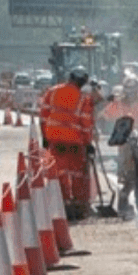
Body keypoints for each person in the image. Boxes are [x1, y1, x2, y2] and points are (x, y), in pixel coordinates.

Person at [39, 66, 95, 219]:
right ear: (82, 82)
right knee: (78, 173)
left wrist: (44, 137)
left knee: (59, 172)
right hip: (75, 142)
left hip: (54, 139)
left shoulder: (52, 91)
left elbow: (43, 116)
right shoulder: (83, 98)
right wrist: (88, 143)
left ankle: (63, 203)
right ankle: (78, 206)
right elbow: (86, 123)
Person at [100, 76, 138, 218]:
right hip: (125, 145)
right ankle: (123, 204)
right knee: (128, 176)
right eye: (128, 88)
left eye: (133, 88)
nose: (130, 91)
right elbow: (106, 116)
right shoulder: (118, 103)